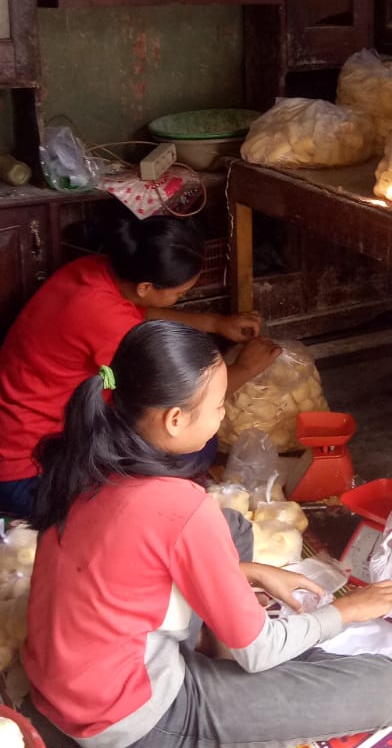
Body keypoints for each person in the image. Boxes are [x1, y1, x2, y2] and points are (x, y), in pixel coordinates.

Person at [22, 320, 392, 748]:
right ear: (175, 419)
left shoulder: (88, 465)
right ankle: (231, 659)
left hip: (65, 687)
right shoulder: (178, 506)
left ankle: (226, 648)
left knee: (230, 527)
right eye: (220, 404)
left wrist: (249, 571)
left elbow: (130, 564)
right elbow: (259, 652)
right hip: (135, 725)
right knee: (387, 686)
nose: (223, 416)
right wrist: (347, 611)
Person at [0, 210, 277, 518]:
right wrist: (245, 369)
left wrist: (215, 323)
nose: (181, 297)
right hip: (28, 473)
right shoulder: (103, 319)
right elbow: (179, 406)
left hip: (20, 437)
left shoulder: (95, 270)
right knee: (194, 447)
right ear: (145, 287)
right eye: (180, 293)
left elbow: (138, 314)